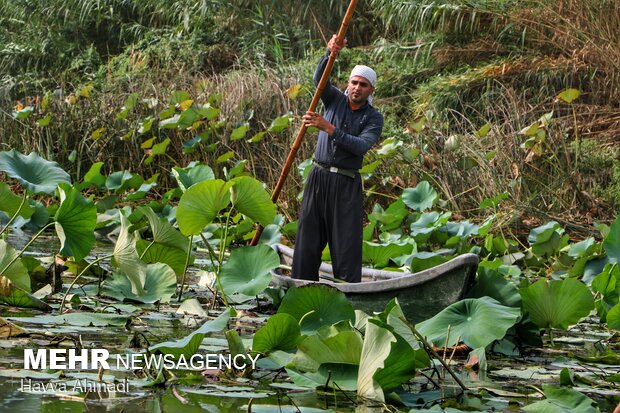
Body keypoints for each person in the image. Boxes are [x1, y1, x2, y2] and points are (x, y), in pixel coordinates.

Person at [292, 34, 384, 283]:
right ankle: (301, 285)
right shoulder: (334, 99)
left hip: (346, 184)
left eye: (363, 85)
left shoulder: (373, 118)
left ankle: (349, 294)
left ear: (371, 90)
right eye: (354, 82)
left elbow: (361, 146)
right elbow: (319, 80)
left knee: (346, 245)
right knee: (308, 239)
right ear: (348, 83)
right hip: (318, 177)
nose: (357, 88)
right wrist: (329, 53)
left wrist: (329, 128)